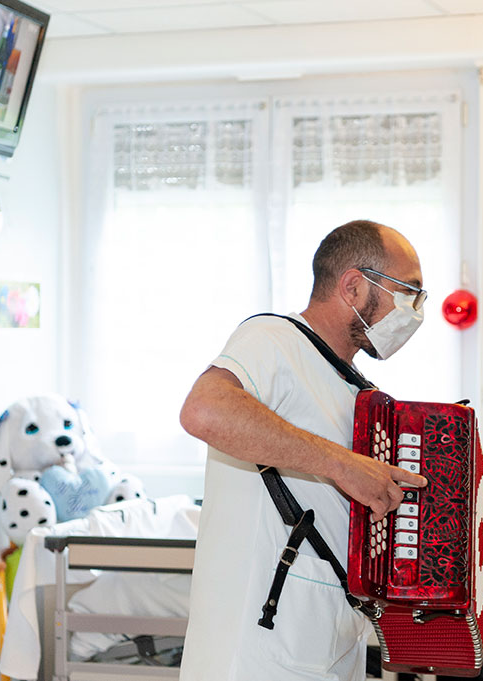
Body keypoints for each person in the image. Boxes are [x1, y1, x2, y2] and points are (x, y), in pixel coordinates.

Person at [177, 220, 431, 681]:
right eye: (409, 293)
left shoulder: (358, 393)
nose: (415, 312)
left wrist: (446, 563)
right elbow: (204, 411)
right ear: (353, 286)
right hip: (259, 650)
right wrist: (340, 463)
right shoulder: (273, 340)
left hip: (328, 644)